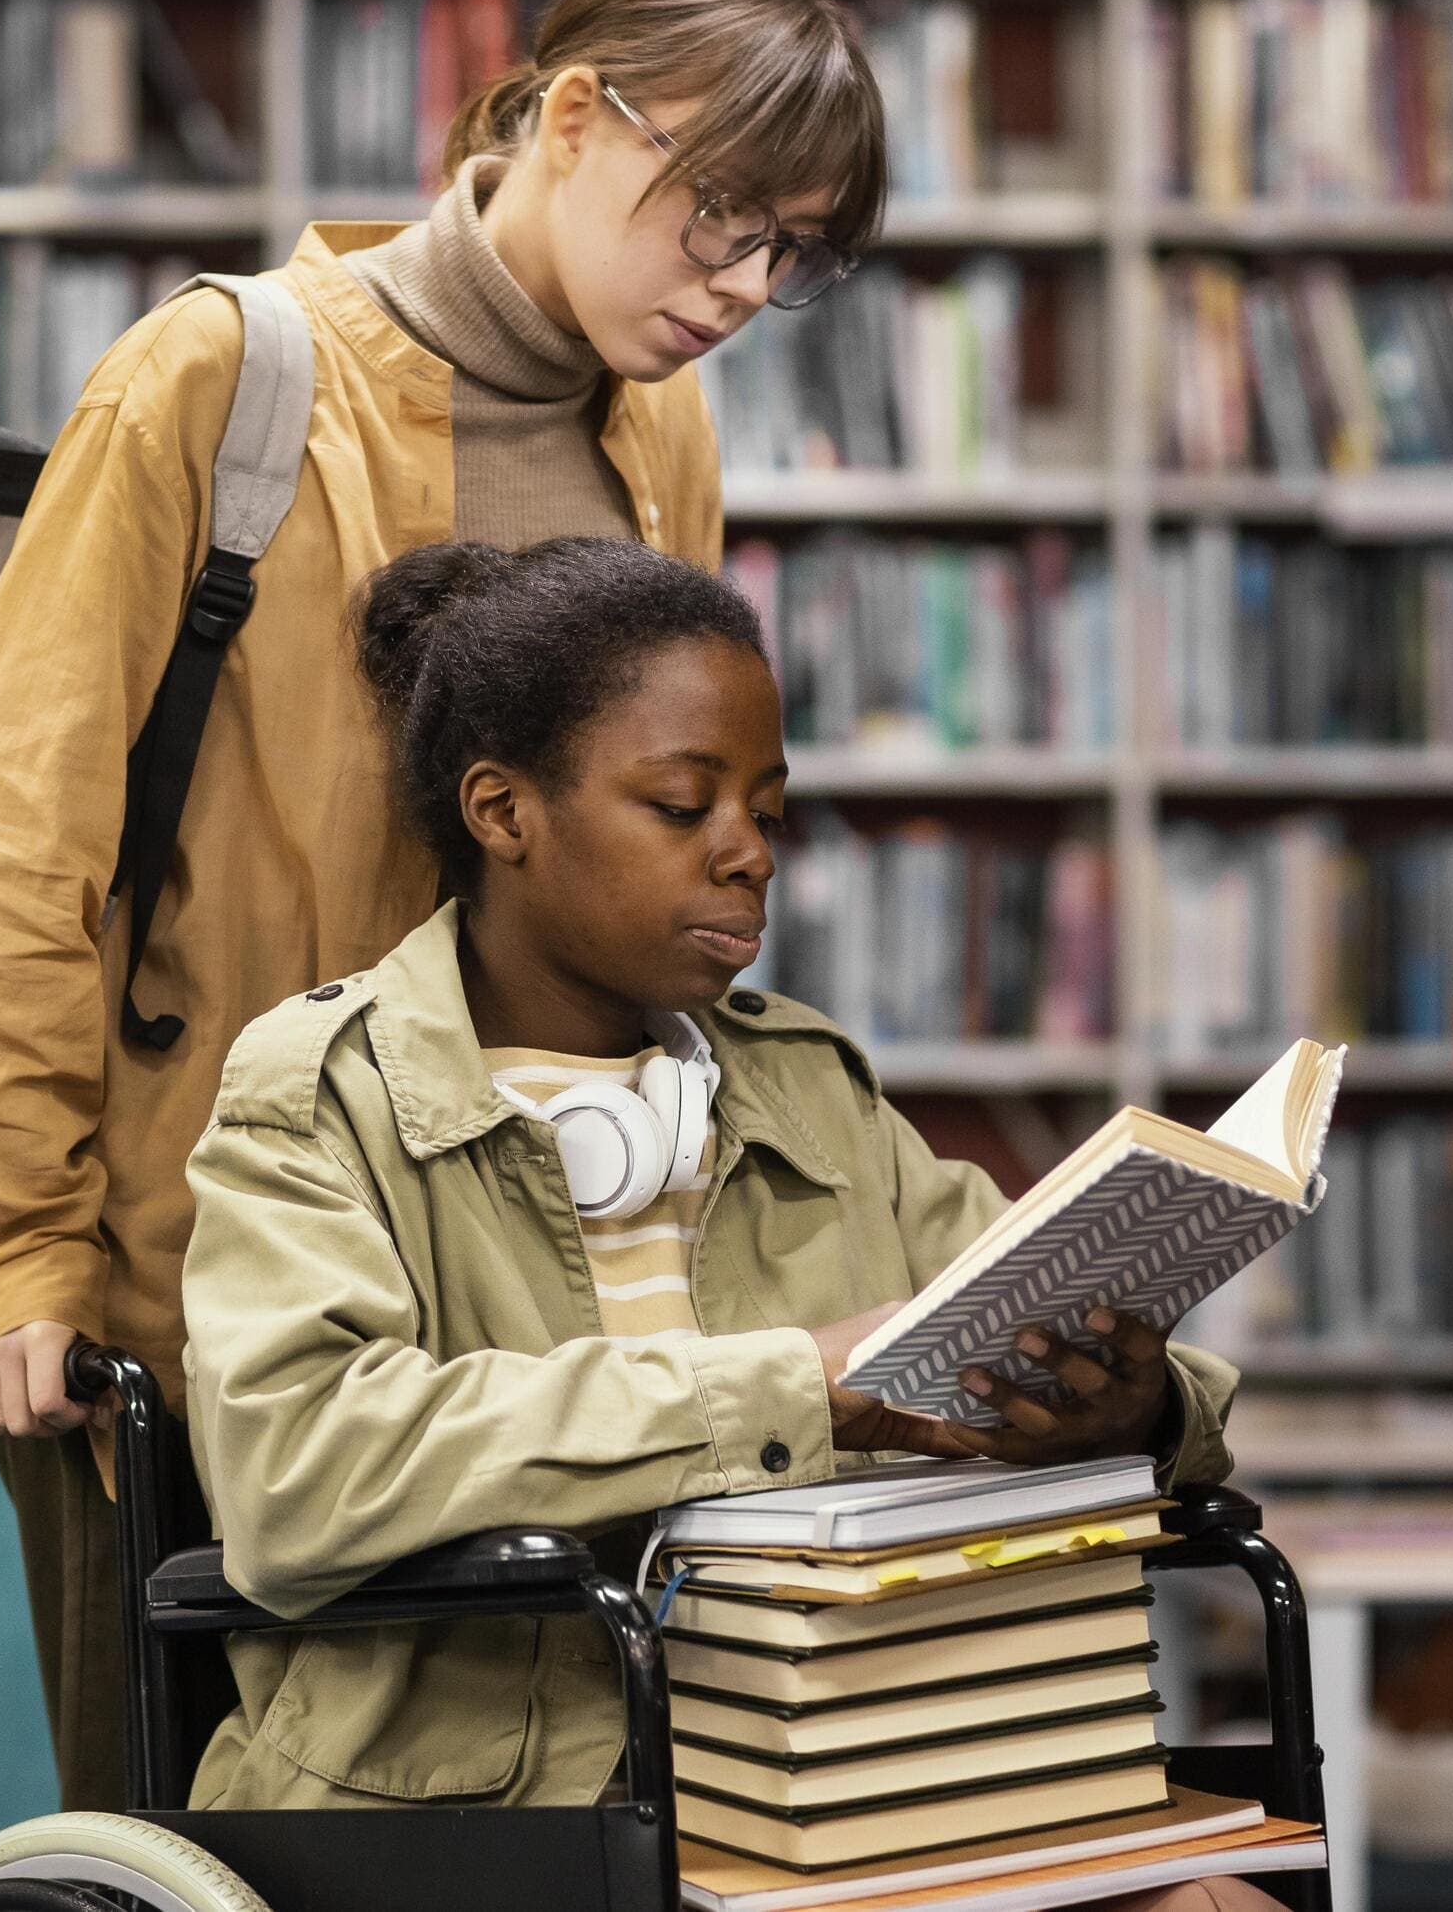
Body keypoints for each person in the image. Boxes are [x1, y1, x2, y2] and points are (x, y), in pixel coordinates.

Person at [0, 0, 888, 1809]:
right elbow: (5, 832)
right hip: (206, 1268)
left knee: (567, 1799)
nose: (746, 286)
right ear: (571, 117)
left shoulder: (657, 423)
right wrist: (18, 1251)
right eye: (718, 218)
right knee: (213, 1809)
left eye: (794, 252)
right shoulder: (220, 378)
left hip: (540, 1270)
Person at [179, 535, 1246, 1819]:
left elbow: (1038, 1309)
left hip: (853, 1761)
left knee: (1223, 1896)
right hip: (510, 1812)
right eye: (686, 807)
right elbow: (296, 1472)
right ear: (503, 813)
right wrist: (799, 1386)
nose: (751, 854)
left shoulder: (806, 1084)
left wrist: (1131, 1411)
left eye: (768, 811)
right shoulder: (322, 1093)